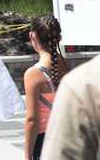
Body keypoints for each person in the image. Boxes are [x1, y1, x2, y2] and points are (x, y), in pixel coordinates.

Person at [41, 51, 100, 159]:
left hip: (50, 130)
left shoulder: (84, 82)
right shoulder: (63, 65)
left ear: (33, 37)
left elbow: (31, 118)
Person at [23, 15, 70, 160]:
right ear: (59, 38)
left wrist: (27, 156)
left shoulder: (33, 74)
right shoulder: (66, 67)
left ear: (33, 36)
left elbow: (32, 120)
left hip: (45, 143)